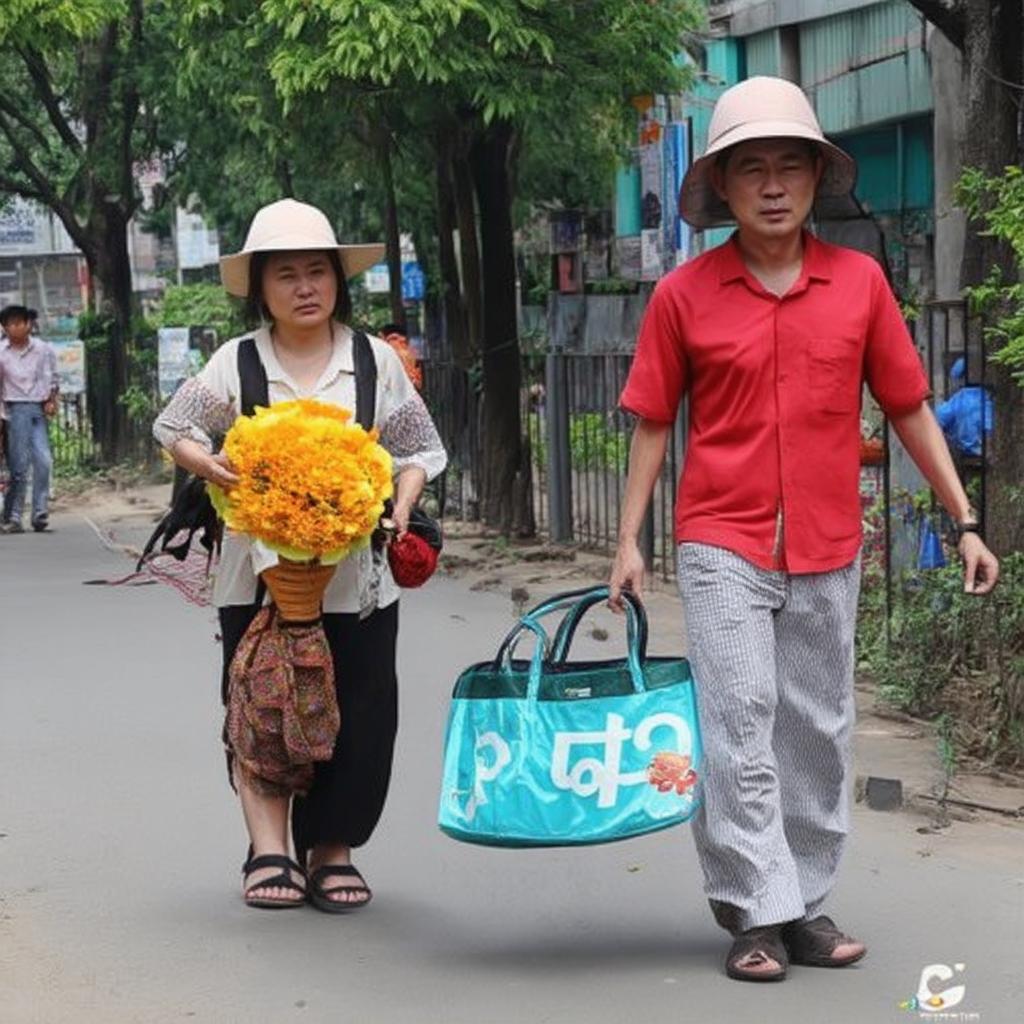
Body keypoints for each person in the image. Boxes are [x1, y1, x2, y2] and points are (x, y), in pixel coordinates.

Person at [608, 77, 999, 983]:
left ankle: (805, 899)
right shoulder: (684, 296)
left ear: (817, 180)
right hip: (720, 539)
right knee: (740, 718)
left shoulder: (859, 283)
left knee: (817, 729)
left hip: (829, 540)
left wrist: (967, 520)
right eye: (753, 169)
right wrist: (627, 540)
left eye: (791, 166)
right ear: (726, 188)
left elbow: (907, 406)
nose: (774, 184)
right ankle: (756, 910)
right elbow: (654, 420)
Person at [153, 199, 447, 912]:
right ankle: (271, 848)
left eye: (318, 272)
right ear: (261, 289)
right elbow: (173, 425)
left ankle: (332, 849)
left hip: (360, 582)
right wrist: (210, 464)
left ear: (339, 282)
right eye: (286, 275)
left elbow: (419, 449)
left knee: (361, 711)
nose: (305, 287)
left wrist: (403, 503)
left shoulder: (376, 361)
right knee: (261, 708)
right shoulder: (237, 363)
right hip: (253, 580)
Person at [0, 304, 58, 533]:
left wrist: (52, 398)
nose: (15, 327)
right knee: (18, 466)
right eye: (9, 323)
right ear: (4, 327)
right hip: (13, 409)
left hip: (37, 408)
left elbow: (52, 376)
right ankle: (14, 516)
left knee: (43, 460)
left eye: (19, 322)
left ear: (28, 324)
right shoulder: (1, 352)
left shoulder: (43, 349)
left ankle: (40, 510)